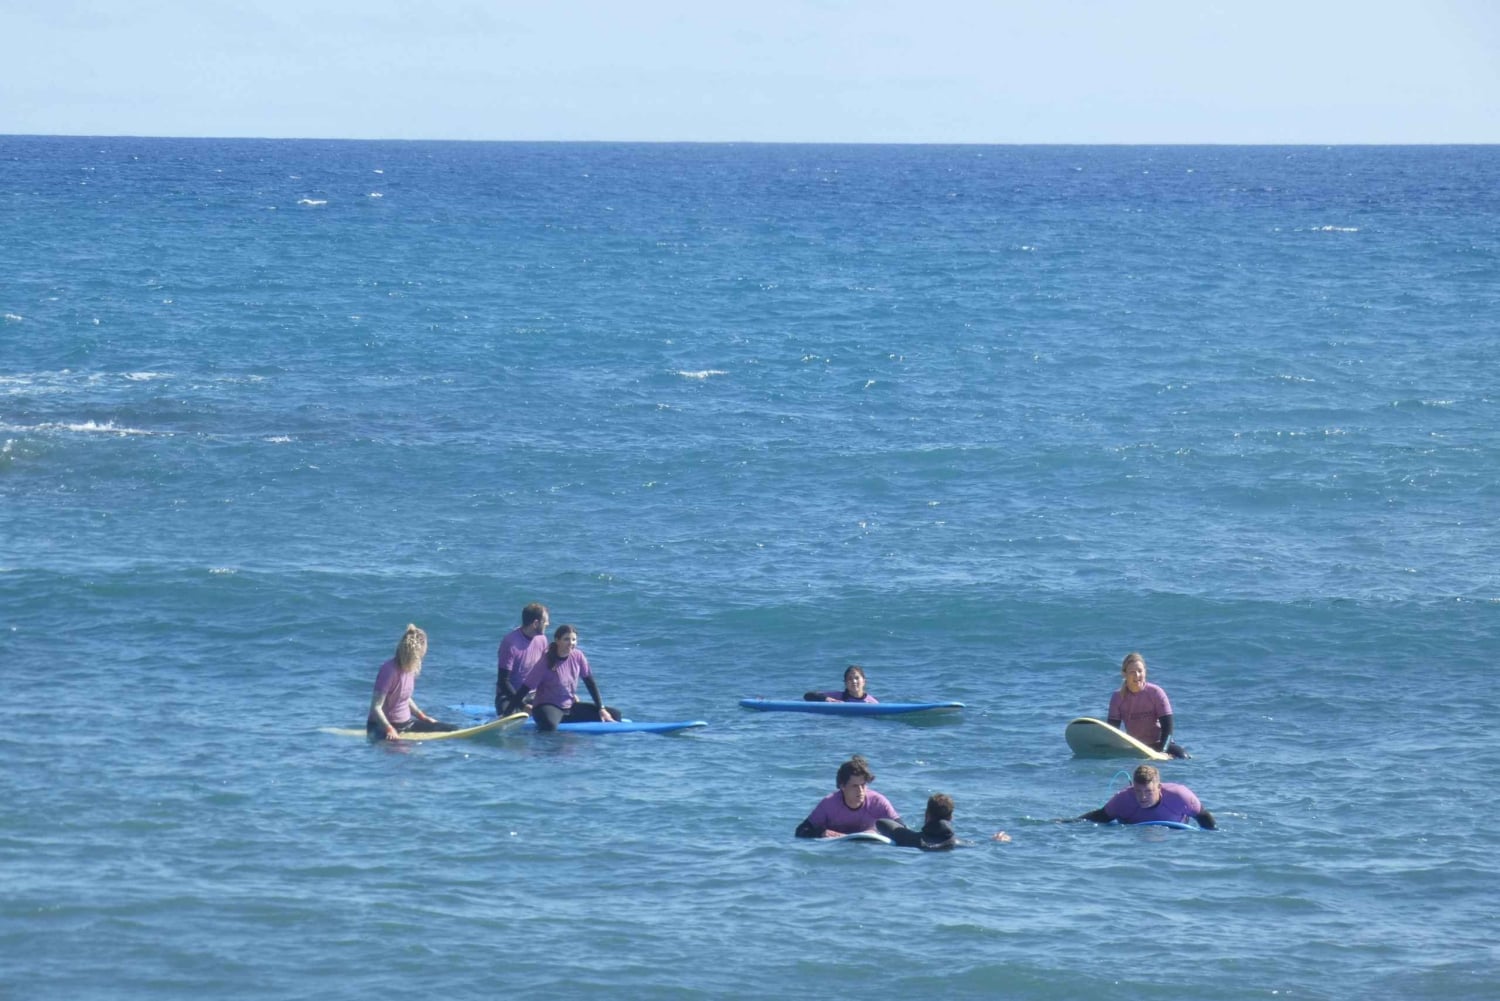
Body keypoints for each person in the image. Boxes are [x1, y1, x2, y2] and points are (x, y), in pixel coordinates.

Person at [512, 624, 620, 732]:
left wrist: (601, 708)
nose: (571, 643)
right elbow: (525, 687)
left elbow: (590, 683)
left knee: (615, 715)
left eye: (574, 640)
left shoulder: (578, 656)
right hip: (547, 706)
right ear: (557, 640)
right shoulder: (546, 661)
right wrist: (508, 711)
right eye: (566, 639)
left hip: (569, 707)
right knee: (550, 726)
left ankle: (563, 719)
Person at [366, 623, 460, 740]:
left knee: (452, 729)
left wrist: (423, 717)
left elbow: (404, 697)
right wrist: (389, 729)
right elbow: (376, 707)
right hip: (381, 727)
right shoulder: (389, 670)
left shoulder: (410, 668)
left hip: (406, 724)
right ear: (417, 650)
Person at [1070, 764, 1217, 829]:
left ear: (1159, 788)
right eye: (1138, 791)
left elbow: (1203, 816)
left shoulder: (1180, 796)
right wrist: (1071, 822)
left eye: (1148, 792)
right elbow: (1100, 816)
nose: (1143, 797)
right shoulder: (1123, 800)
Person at [794, 755, 900, 837]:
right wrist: (821, 832)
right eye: (855, 786)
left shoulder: (878, 802)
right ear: (842, 786)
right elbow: (801, 831)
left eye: (863, 785)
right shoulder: (829, 804)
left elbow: (902, 829)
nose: (860, 790)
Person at [1108, 652, 1189, 758]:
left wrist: (1163, 751)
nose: (1137, 675)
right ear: (1124, 674)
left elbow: (1168, 728)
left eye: (1140, 671)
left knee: (1184, 756)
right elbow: (1113, 731)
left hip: (1159, 744)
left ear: (1145, 672)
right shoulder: (1117, 697)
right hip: (1137, 746)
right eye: (1132, 672)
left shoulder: (1156, 693)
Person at [495, 602, 549, 717]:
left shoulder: (542, 640)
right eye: (545, 621)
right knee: (509, 716)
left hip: (534, 695)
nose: (548, 624)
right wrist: (521, 705)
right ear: (535, 623)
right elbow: (503, 682)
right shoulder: (510, 643)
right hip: (508, 696)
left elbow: (546, 672)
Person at [877, 793, 958, 851]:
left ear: (927, 814)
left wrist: (906, 831)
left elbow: (881, 822)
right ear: (951, 817)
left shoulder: (914, 840)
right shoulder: (956, 843)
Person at [803, 664, 878, 703]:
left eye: (857, 678)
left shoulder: (872, 702)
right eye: (849, 679)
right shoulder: (837, 697)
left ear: (864, 681)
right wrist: (826, 699)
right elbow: (808, 696)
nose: (854, 681)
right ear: (845, 683)